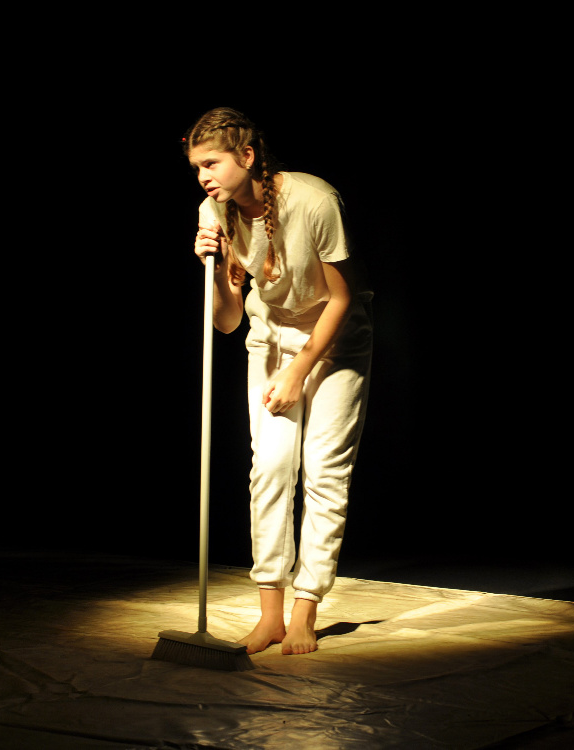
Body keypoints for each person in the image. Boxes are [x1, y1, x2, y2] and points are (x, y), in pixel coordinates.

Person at [184, 107, 373, 655]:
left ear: (247, 156)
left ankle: (305, 610)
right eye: (196, 168)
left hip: (335, 338)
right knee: (269, 468)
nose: (204, 177)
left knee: (323, 471)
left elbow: (341, 297)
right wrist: (213, 267)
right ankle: (269, 614)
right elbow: (226, 321)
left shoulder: (314, 201)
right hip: (271, 336)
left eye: (212, 163)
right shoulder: (214, 211)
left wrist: (298, 370)